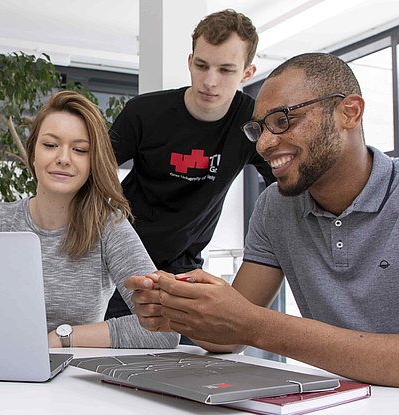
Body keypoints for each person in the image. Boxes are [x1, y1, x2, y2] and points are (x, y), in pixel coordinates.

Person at [126, 52, 399, 415]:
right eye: (258, 129)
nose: (264, 144)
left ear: (348, 112)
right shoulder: (275, 208)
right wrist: (182, 312)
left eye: (283, 120)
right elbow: (230, 335)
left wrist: (256, 326)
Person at [105, 9, 275, 319]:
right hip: (121, 261)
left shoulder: (253, 123)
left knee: (188, 362)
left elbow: (285, 185)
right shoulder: (144, 113)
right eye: (202, 66)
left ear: (247, 73)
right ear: (189, 62)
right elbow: (91, 176)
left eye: (225, 70)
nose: (210, 81)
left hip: (185, 270)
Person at [0, 90, 179, 349]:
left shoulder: (109, 226)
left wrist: (62, 338)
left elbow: (163, 329)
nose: (63, 158)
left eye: (80, 149)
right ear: (33, 153)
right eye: (50, 145)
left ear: (93, 161)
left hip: (72, 380)